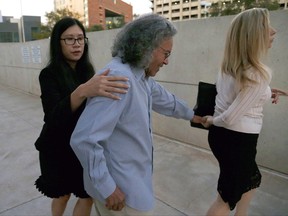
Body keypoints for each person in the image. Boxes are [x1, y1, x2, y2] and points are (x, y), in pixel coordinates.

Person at [70, 13, 201, 215]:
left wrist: (192, 116)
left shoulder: (139, 75)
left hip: (133, 183)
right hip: (121, 193)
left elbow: (164, 99)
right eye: (166, 54)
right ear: (147, 48)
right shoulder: (120, 78)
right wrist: (108, 188)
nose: (166, 61)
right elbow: (84, 139)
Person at [34, 17, 129, 216]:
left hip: (80, 145)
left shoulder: (88, 71)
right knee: (62, 195)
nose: (76, 44)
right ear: (57, 43)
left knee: (86, 194)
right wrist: (83, 91)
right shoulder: (49, 74)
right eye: (69, 39)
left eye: (80, 38)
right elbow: (53, 117)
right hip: (57, 147)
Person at [201, 8, 285, 216]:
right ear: (253, 35)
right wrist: (211, 120)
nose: (273, 31)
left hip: (224, 138)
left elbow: (236, 94)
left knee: (251, 180)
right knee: (227, 196)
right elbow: (229, 117)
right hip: (237, 139)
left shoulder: (231, 66)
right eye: (267, 27)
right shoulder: (257, 74)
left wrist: (265, 92)